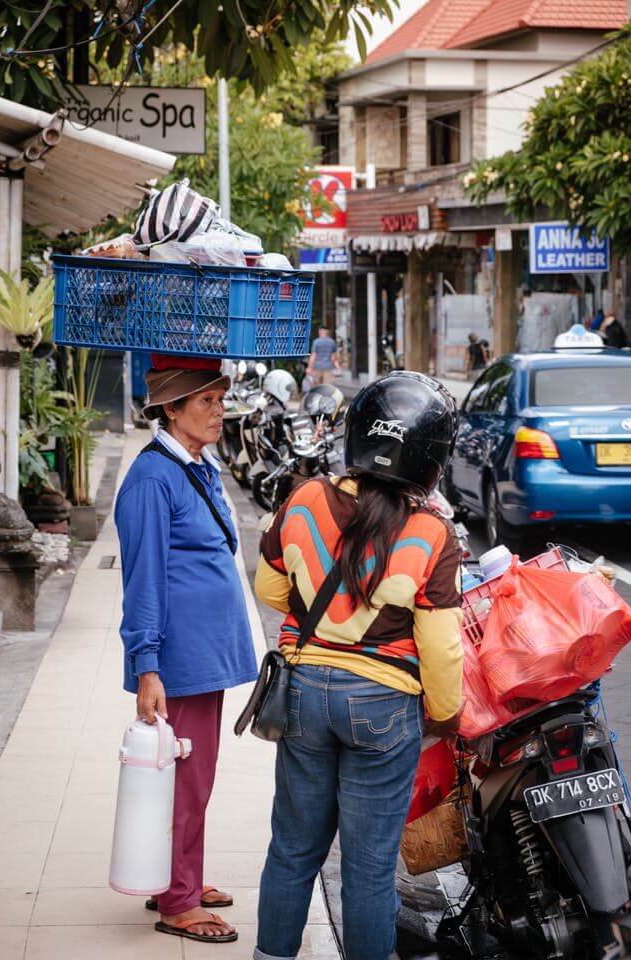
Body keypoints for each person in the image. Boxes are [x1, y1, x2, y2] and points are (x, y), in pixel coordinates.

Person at [253, 372, 464, 960]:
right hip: (383, 707)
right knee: (369, 870)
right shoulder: (430, 533)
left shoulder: (304, 500)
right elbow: (443, 647)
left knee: (293, 850)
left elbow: (271, 588)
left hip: (301, 695)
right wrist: (445, 716)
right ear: (430, 461)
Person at [115, 354, 258, 945]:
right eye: (205, 401)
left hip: (205, 657)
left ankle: (180, 876)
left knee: (194, 778)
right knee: (187, 780)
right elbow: (142, 581)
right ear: (170, 410)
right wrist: (147, 665)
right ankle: (178, 901)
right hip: (180, 663)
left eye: (220, 399)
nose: (219, 410)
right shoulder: (152, 479)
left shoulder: (197, 464)